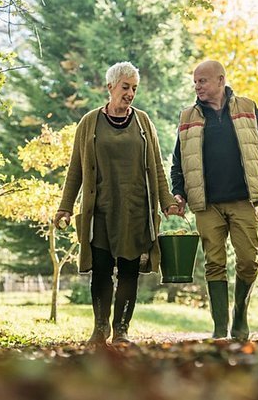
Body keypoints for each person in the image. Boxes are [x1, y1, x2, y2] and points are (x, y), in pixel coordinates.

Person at [54, 61, 179, 345]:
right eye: (125, 87)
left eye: (134, 88)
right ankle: (100, 330)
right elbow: (76, 168)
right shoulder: (89, 122)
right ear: (110, 87)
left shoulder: (143, 122)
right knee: (100, 269)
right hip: (100, 210)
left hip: (135, 209)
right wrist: (65, 206)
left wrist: (167, 201)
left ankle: (121, 330)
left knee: (128, 271)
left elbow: (157, 167)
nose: (130, 93)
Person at [171, 60, 258, 340]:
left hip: (243, 199)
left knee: (249, 261)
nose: (197, 86)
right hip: (206, 203)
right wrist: (179, 192)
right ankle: (220, 326)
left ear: (220, 80)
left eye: (203, 81)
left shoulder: (247, 108)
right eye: (195, 82)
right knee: (214, 263)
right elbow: (178, 162)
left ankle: (240, 316)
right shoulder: (188, 116)